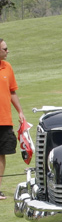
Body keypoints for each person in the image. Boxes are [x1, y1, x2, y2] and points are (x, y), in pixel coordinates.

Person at [0, 38, 27, 200]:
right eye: (4, 49)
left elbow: (12, 92)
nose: (7, 51)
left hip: (4, 120)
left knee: (1, 154)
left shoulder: (7, 67)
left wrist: (20, 111)